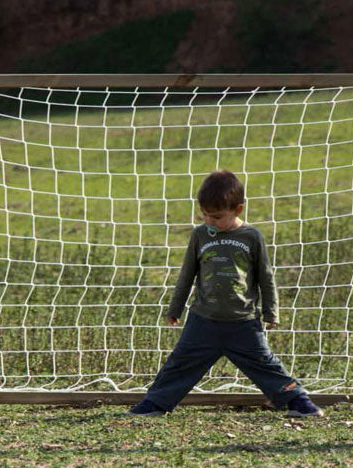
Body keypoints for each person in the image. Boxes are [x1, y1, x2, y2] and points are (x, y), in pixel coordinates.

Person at [129, 169, 323, 418]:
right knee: (180, 363)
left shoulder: (252, 237)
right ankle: (155, 403)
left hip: (242, 322)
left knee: (265, 364)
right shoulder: (200, 235)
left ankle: (299, 400)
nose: (210, 221)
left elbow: (266, 276)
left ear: (238, 210)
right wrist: (174, 309)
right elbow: (187, 274)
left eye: (217, 217)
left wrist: (271, 311)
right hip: (202, 321)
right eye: (205, 215)